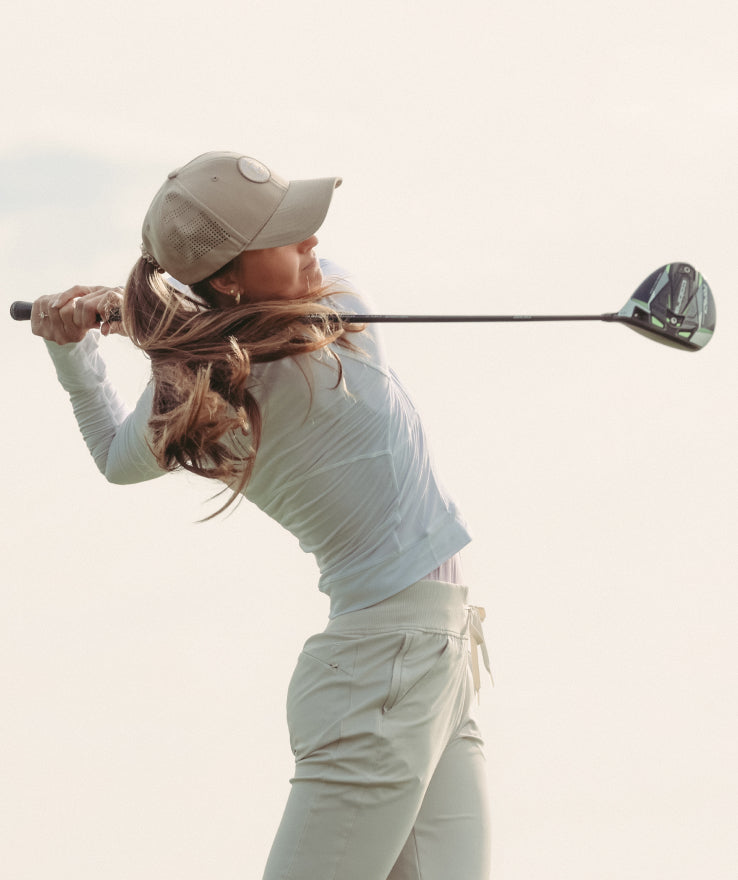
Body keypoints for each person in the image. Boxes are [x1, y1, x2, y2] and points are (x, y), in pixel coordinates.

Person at [31, 150, 492, 880]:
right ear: (230, 277)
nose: (312, 242)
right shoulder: (241, 380)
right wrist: (119, 330)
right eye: (288, 235)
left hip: (435, 657)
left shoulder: (224, 370)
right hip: (381, 670)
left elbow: (120, 450)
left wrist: (90, 339)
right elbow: (125, 451)